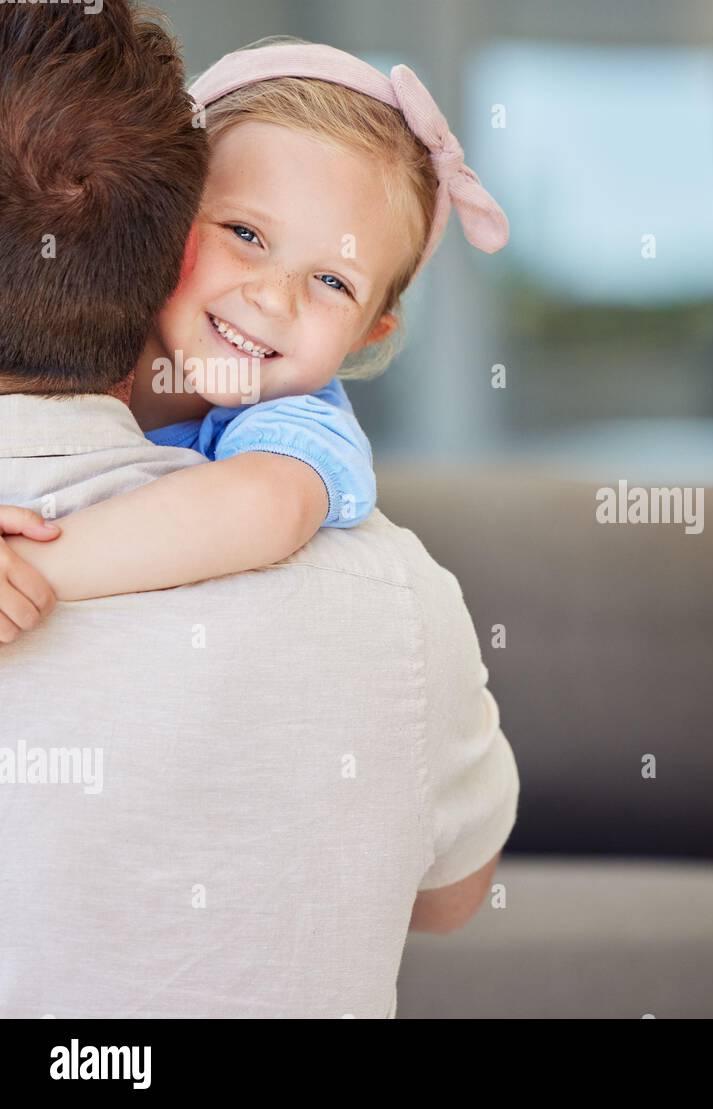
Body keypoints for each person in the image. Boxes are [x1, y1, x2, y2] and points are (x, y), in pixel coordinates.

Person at [0, 1, 518, 1018]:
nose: (271, 300)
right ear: (160, 223)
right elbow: (451, 892)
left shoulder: (299, 432)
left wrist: (42, 569)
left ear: (373, 332)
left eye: (330, 280)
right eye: (242, 233)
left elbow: (260, 513)